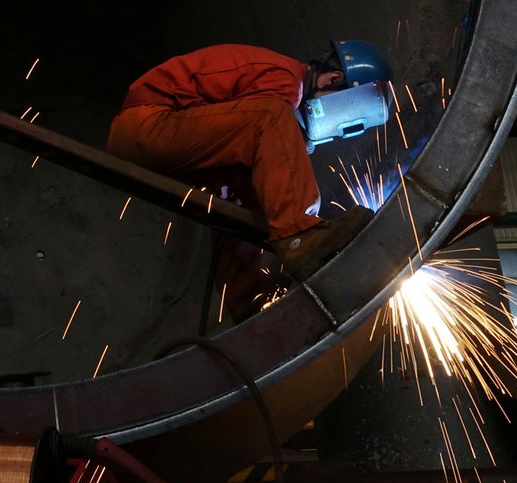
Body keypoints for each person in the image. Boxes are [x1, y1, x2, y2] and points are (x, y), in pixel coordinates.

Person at [107, 41, 392, 317]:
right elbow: (265, 123)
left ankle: (245, 301)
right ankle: (301, 236)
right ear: (333, 79)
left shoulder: (282, 94)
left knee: (245, 195)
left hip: (163, 133)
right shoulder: (287, 81)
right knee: (268, 119)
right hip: (148, 123)